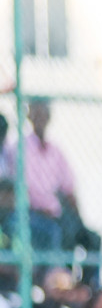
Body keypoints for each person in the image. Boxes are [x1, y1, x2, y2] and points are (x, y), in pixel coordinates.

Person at [1, 98, 74, 254]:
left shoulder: (56, 151)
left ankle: (77, 278)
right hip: (30, 212)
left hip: (55, 213)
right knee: (52, 231)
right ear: (29, 116)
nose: (40, 117)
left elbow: (69, 188)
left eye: (43, 113)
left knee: (88, 236)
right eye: (36, 113)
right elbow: (16, 189)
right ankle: (50, 276)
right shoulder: (18, 148)